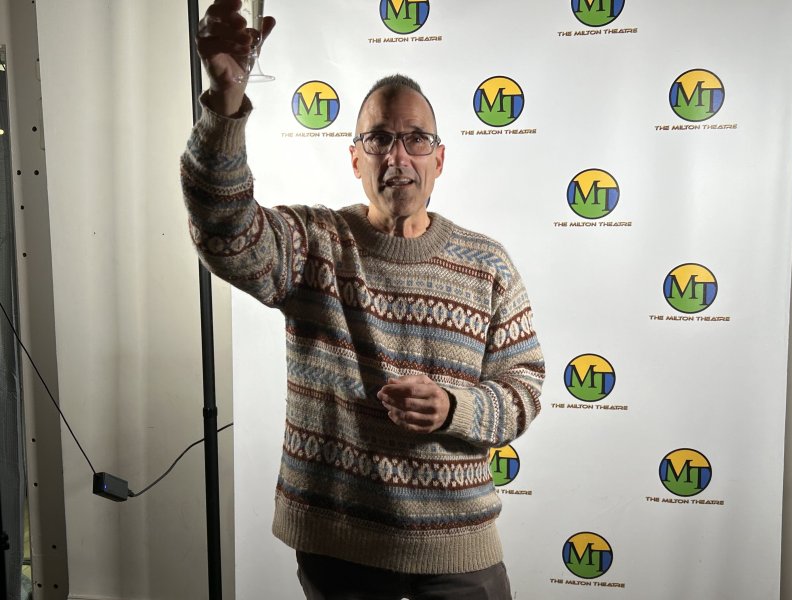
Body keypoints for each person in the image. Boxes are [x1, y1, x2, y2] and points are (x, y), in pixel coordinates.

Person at [183, 2, 545, 598]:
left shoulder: (488, 264)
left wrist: (453, 407)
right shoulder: (313, 243)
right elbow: (225, 231)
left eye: (416, 139)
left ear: (439, 159)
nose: (398, 156)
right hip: (340, 545)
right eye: (379, 139)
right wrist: (225, 104)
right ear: (355, 158)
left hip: (456, 545)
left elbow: (523, 391)